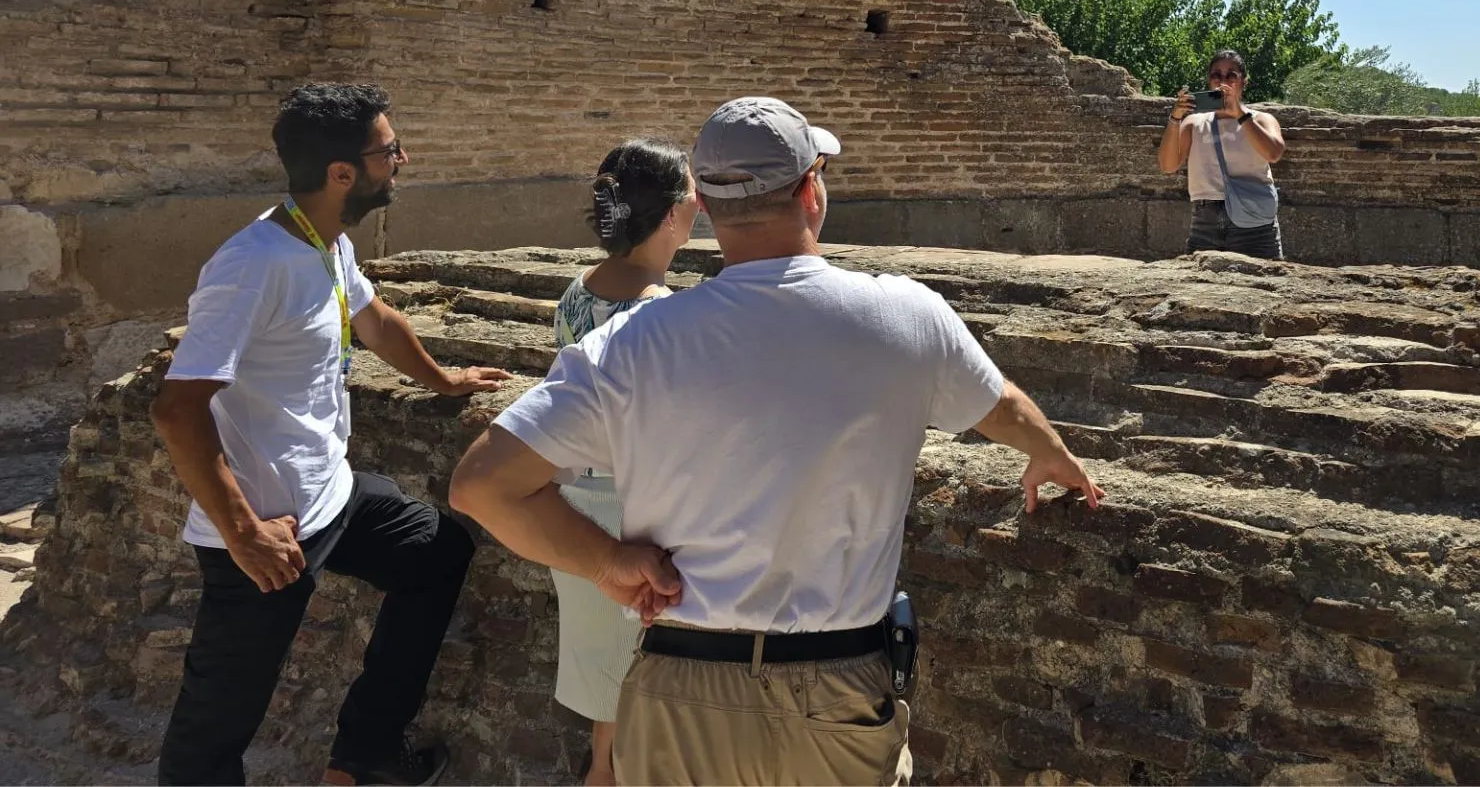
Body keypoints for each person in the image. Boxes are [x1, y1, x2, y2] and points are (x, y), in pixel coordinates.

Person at [448, 96, 1107, 786]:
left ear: (705, 206)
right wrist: (1053, 453)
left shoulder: (634, 341)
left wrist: (607, 561)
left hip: (682, 685)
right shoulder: (906, 315)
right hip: (836, 690)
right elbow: (1000, 405)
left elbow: (481, 485)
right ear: (809, 190)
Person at [149, 83, 511, 786]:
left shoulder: (324, 239)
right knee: (212, 735)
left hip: (333, 499)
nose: (402, 160)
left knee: (437, 552)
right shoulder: (251, 265)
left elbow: (375, 321)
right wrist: (244, 534)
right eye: (389, 150)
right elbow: (177, 408)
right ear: (342, 173)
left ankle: (363, 755)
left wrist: (445, 380)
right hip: (268, 530)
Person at [549, 139, 699, 786]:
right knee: (632, 682)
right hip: (635, 513)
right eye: (691, 193)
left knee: (608, 684)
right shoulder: (664, 313)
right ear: (669, 214)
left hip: (574, 506)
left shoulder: (575, 292)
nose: (699, 204)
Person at [1157, 48, 1289, 259]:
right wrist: (1175, 118)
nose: (1223, 81)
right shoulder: (1194, 123)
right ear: (1209, 81)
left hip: (1254, 224)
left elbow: (1274, 153)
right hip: (1205, 222)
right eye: (1216, 75)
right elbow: (1168, 166)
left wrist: (1239, 114)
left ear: (1243, 81)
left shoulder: (1262, 119)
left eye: (1231, 75)